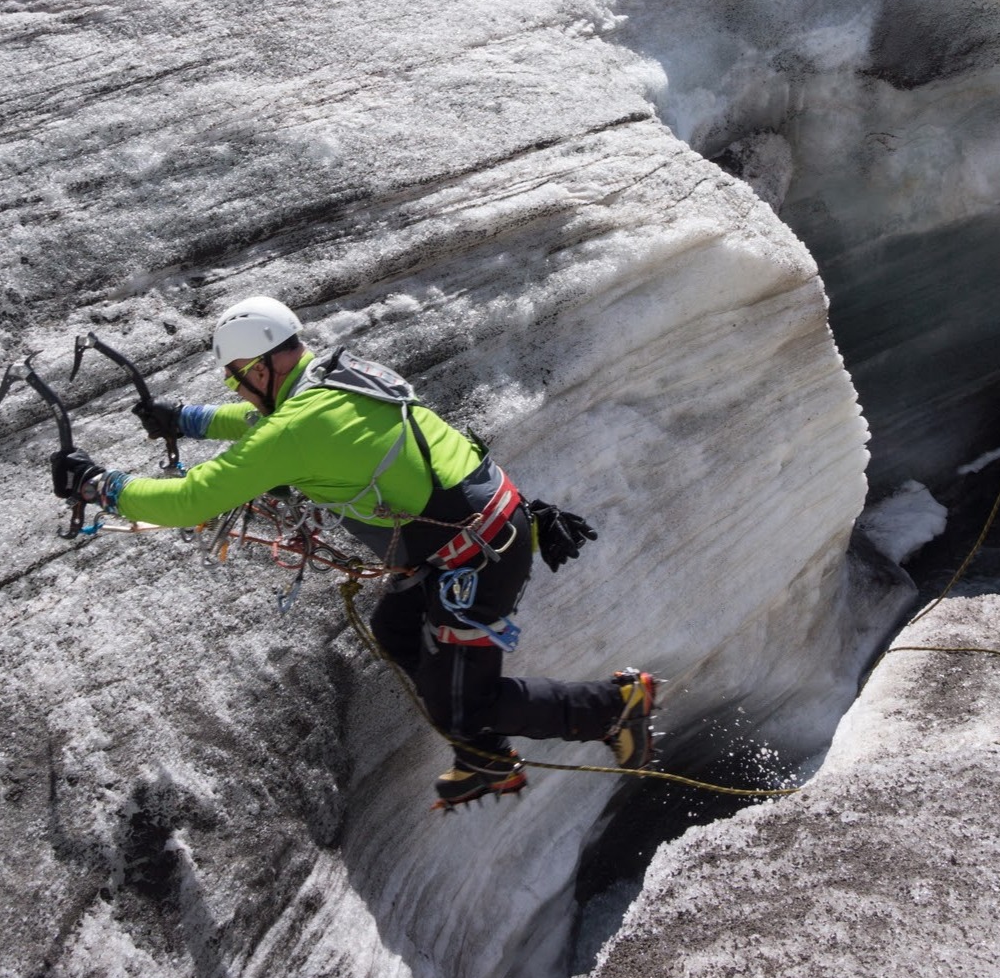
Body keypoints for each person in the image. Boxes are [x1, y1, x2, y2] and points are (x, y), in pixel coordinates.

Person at [55, 296, 658, 808]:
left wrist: (98, 485)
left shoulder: (296, 428)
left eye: (236, 376)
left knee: (464, 702)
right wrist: (187, 419)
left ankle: (612, 707)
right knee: (395, 628)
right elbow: (270, 424)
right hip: (481, 526)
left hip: (475, 555)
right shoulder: (332, 377)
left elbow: (192, 500)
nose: (236, 387)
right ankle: (485, 753)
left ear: (259, 366)